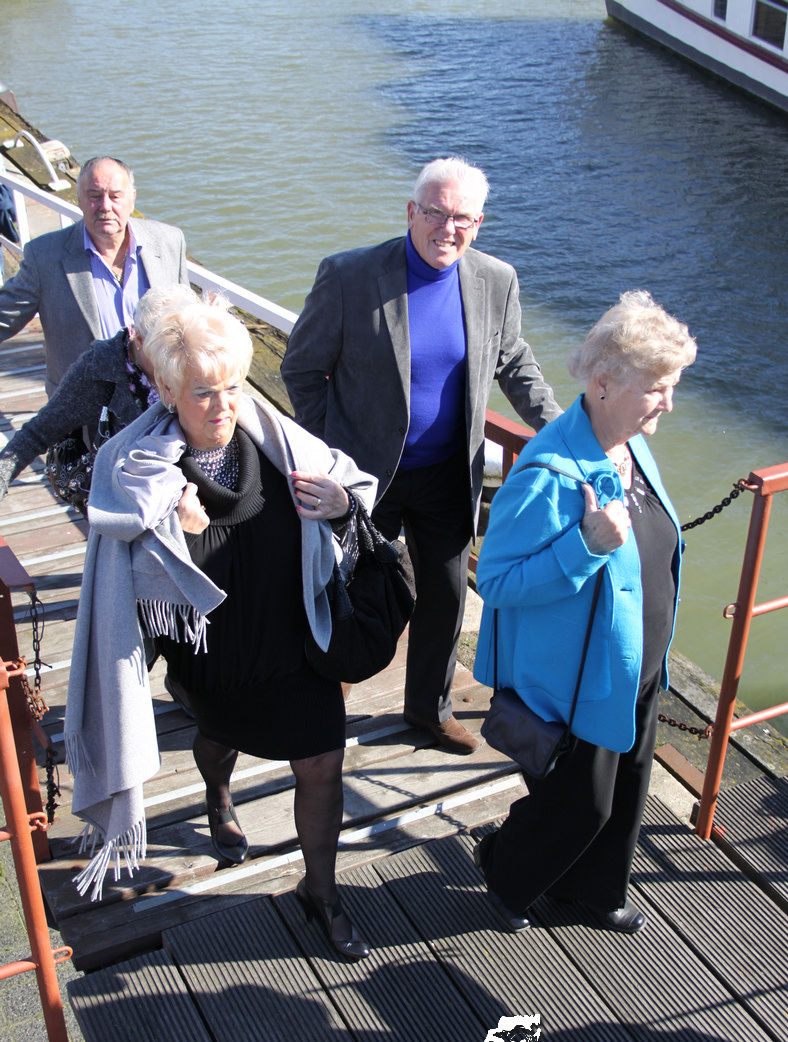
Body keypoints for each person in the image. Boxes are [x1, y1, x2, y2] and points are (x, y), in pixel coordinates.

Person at [64, 301, 377, 962]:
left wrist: (342, 504)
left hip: (296, 642)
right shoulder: (139, 471)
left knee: (323, 763)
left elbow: (352, 491)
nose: (223, 405)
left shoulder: (280, 443)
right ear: (167, 389)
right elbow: (130, 591)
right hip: (215, 655)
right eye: (203, 392)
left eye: (232, 386)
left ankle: (322, 893)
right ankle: (217, 791)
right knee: (217, 738)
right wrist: (172, 535)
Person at [281, 157, 562, 755]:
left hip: (446, 475)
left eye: (462, 218)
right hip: (363, 477)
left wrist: (564, 430)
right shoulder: (351, 276)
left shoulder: (496, 280)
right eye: (435, 212)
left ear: (478, 223)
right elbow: (302, 369)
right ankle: (326, 700)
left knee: (447, 597)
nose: (447, 228)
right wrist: (328, 453)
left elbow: (515, 362)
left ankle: (427, 710)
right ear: (412, 211)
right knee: (350, 591)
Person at [472, 291, 696, 935]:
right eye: (657, 388)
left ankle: (594, 890)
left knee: (628, 790)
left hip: (639, 666)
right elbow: (498, 580)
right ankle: (505, 871)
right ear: (603, 384)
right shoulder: (546, 471)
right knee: (583, 804)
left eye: (673, 386)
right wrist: (585, 545)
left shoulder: (629, 444)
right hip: (582, 679)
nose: (668, 403)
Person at [0, 157, 188, 395]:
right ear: (79, 199)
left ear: (132, 198)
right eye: (94, 196)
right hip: (85, 406)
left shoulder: (169, 242)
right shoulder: (45, 256)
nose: (105, 206)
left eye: (115, 196)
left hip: (162, 400)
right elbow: (5, 316)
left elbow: (189, 322)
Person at [0, 284, 197, 506]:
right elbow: (38, 433)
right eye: (166, 349)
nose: (177, 359)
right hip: (126, 505)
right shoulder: (98, 369)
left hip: (195, 497)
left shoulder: (197, 355)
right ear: (139, 339)